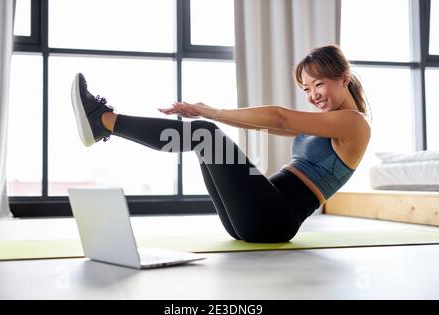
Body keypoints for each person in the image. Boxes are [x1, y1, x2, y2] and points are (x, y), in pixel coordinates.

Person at [70, 44, 370, 243]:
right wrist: (206, 111)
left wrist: (208, 114)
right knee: (206, 138)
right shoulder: (329, 122)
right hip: (260, 215)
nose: (313, 95)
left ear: (343, 78)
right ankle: (104, 124)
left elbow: (279, 118)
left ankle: (105, 121)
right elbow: (262, 124)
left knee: (204, 133)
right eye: (306, 88)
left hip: (274, 218)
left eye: (319, 84)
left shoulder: (355, 122)